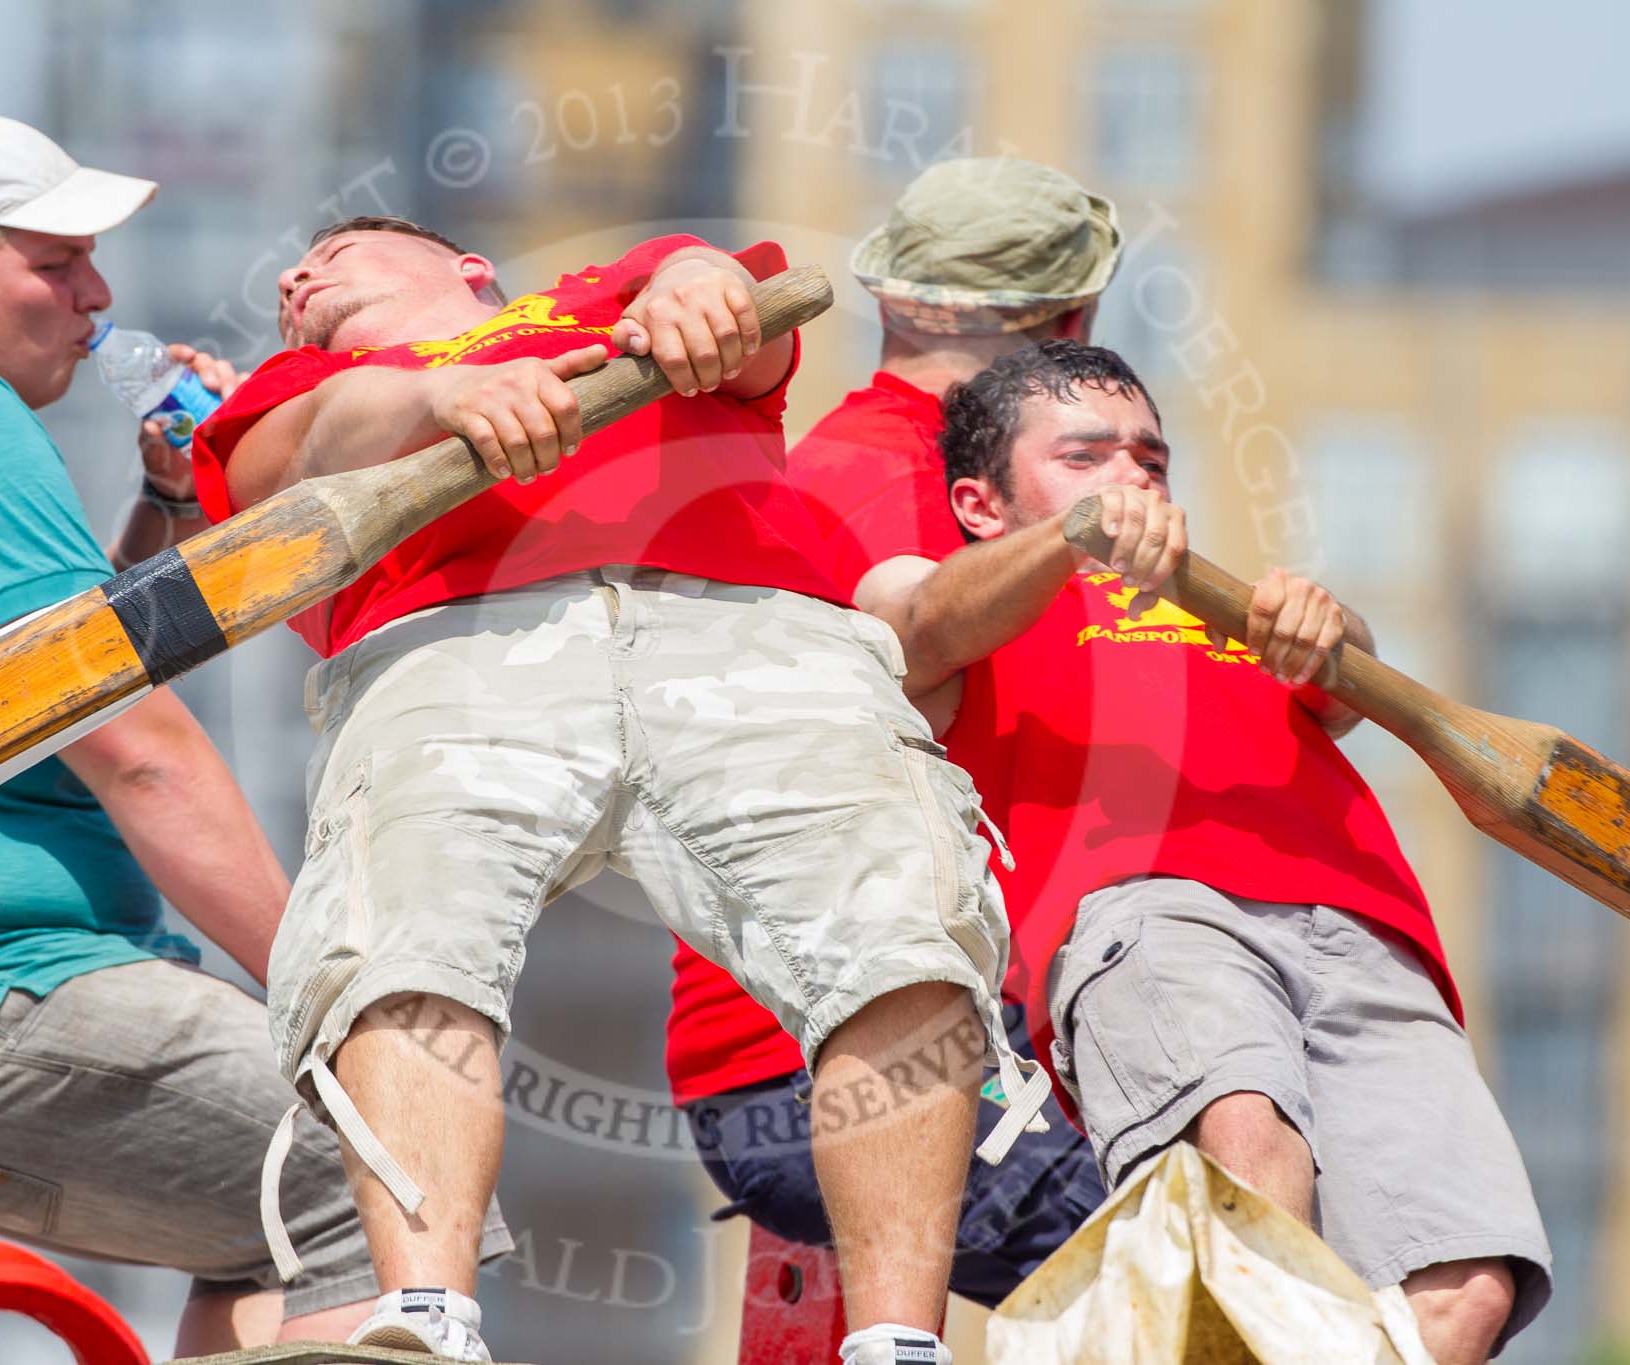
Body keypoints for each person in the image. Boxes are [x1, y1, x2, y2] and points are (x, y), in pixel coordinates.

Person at [0, 113, 514, 1352]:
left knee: (272, 1221)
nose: (98, 294)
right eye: (54, 263)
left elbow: (53, 685)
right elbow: (136, 745)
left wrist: (170, 500)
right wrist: (333, 996)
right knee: (403, 1157)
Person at [192, 215, 1047, 1364]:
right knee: (401, 929)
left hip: (744, 622)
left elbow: (733, 313)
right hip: (451, 644)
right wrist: (437, 403)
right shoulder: (315, 380)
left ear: (467, 269)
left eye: (335, 256)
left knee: (896, 931)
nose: (296, 276)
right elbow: (293, 461)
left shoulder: (608, 292)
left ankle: (897, 1343)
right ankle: (423, 1325)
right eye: (291, 273)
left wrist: (695, 290)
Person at [863, 337, 1552, 1363]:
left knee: (1462, 1289)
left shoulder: (1222, 606)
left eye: (1147, 458)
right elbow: (913, 625)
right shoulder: (947, 591)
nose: (1129, 478)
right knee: (1243, 1175)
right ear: (979, 503)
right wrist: (1076, 537)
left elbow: (1346, 680)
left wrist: (1333, 625)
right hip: (1144, 908)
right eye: (1083, 457)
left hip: (1364, 923)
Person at [667, 157, 1119, 1305]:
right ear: (1075, 326)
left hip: (813, 1056)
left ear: (886, 302)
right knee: (1217, 1296)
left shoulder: (843, 469)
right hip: (844, 1064)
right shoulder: (904, 488)